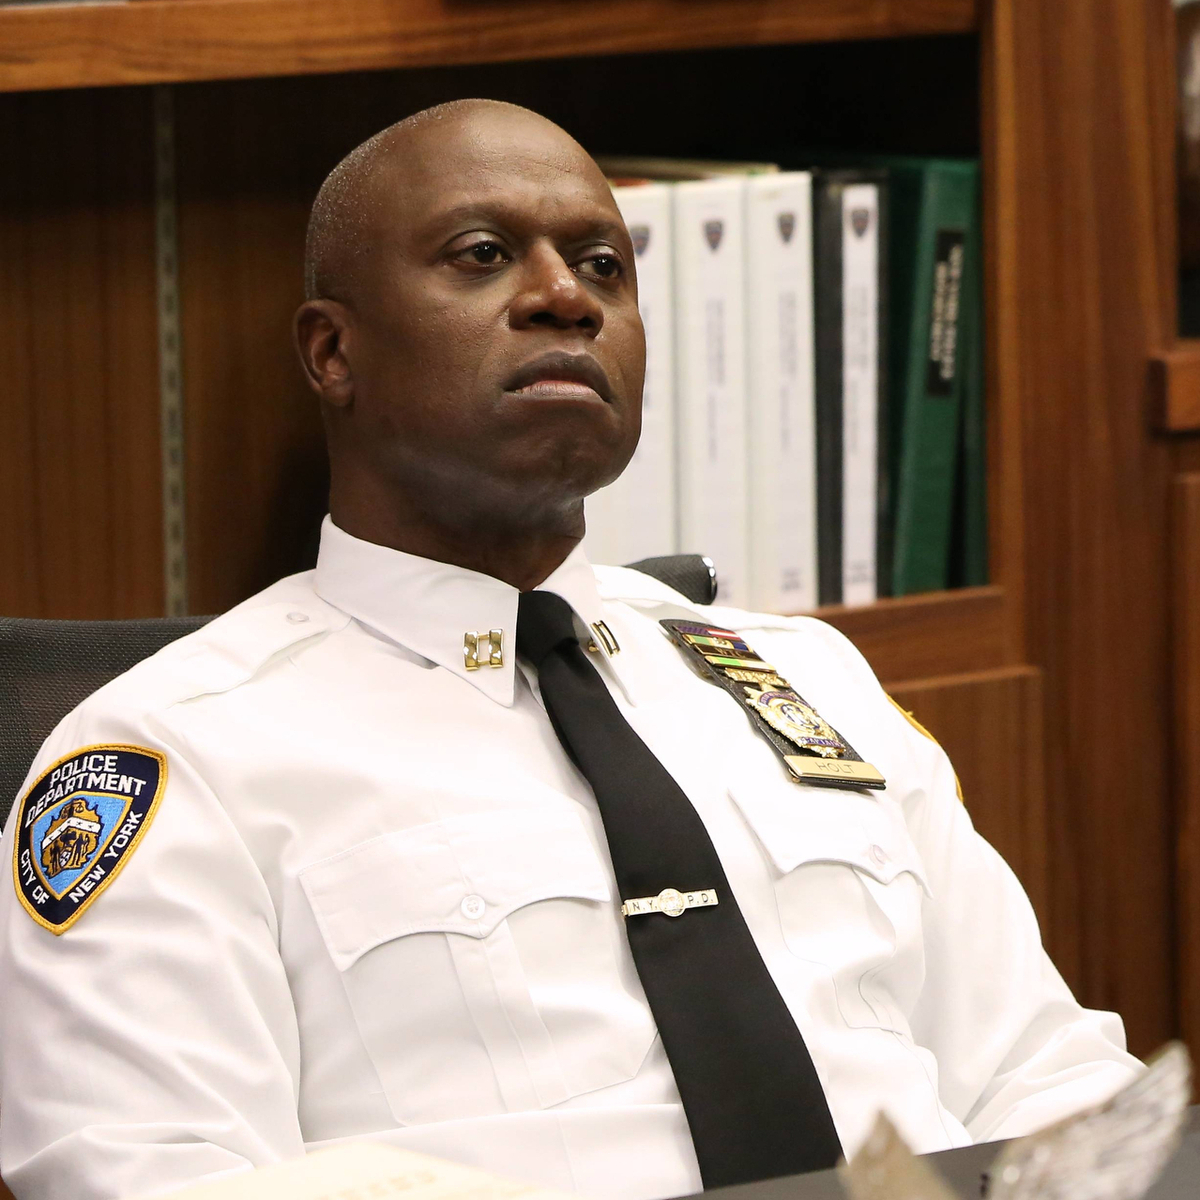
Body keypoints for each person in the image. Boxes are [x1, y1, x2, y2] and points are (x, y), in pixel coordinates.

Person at [0, 100, 1140, 1200]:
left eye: (603, 266)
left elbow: (1042, 1083)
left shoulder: (806, 679)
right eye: (483, 254)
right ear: (332, 351)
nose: (562, 297)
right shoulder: (175, 757)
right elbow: (160, 1175)